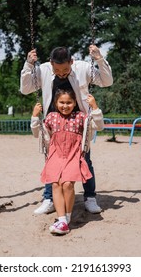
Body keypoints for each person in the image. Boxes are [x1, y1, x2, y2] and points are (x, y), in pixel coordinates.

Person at [20, 45, 113, 215]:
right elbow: (25, 89)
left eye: (65, 69)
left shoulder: (83, 68)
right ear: (50, 63)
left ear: (72, 62)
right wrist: (28, 65)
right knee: (52, 163)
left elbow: (107, 82)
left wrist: (99, 59)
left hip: (78, 124)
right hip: (54, 124)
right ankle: (48, 199)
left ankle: (90, 198)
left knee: (85, 161)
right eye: (57, 70)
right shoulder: (43, 70)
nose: (61, 73)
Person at [31, 88, 104, 234]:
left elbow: (99, 126)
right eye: (62, 102)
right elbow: (37, 134)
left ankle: (67, 216)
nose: (65, 106)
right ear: (56, 103)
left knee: (67, 184)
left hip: (74, 154)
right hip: (56, 154)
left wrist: (94, 107)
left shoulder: (81, 117)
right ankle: (62, 219)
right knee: (56, 184)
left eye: (69, 102)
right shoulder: (51, 117)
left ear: (75, 102)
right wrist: (34, 116)